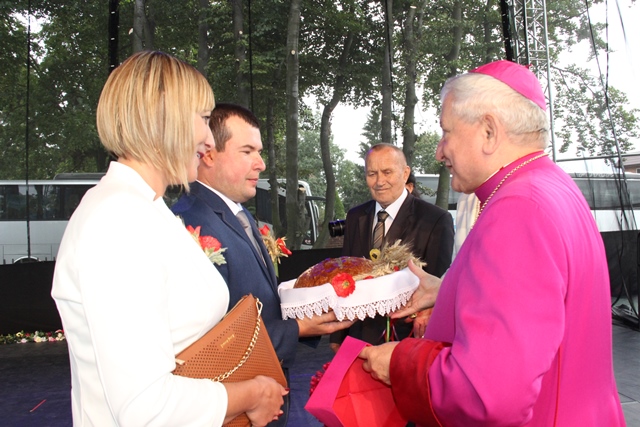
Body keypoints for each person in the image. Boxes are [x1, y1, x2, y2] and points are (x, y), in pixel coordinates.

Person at [359, 60, 626, 426]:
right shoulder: (549, 184)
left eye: (446, 132)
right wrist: (447, 290)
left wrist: (400, 362)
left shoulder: (518, 209)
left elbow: (487, 395)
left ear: (488, 131)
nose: (439, 151)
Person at [51, 51, 287, 427]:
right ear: (164, 118)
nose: (208, 139)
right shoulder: (119, 220)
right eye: (204, 120)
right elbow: (146, 407)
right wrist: (251, 394)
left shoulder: (148, 208)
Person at [170, 103, 354, 391]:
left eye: (259, 151)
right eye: (247, 151)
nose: (261, 164)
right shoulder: (189, 224)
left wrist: (305, 306)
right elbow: (208, 338)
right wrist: (296, 328)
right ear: (208, 153)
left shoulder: (238, 212)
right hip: (234, 395)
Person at [330, 143, 454, 348]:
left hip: (406, 340)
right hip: (358, 336)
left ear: (405, 174)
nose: (379, 181)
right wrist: (337, 337)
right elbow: (344, 276)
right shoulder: (355, 216)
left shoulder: (435, 220)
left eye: (387, 172)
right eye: (372, 174)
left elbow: (436, 284)